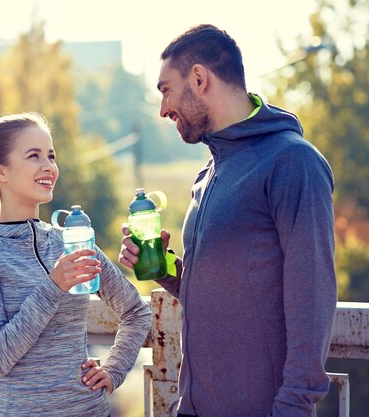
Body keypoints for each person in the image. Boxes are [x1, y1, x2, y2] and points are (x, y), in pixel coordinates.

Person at [119, 24, 337, 417]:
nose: (163, 109)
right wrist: (162, 266)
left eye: (165, 90)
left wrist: (293, 407)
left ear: (199, 78)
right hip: (194, 406)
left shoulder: (292, 163)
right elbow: (223, 291)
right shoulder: (210, 173)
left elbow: (313, 297)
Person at [0, 112, 152, 417]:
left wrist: (114, 369)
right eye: (34, 156)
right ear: (0, 171)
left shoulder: (72, 241)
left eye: (51, 156)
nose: (49, 167)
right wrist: (54, 286)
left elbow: (137, 312)